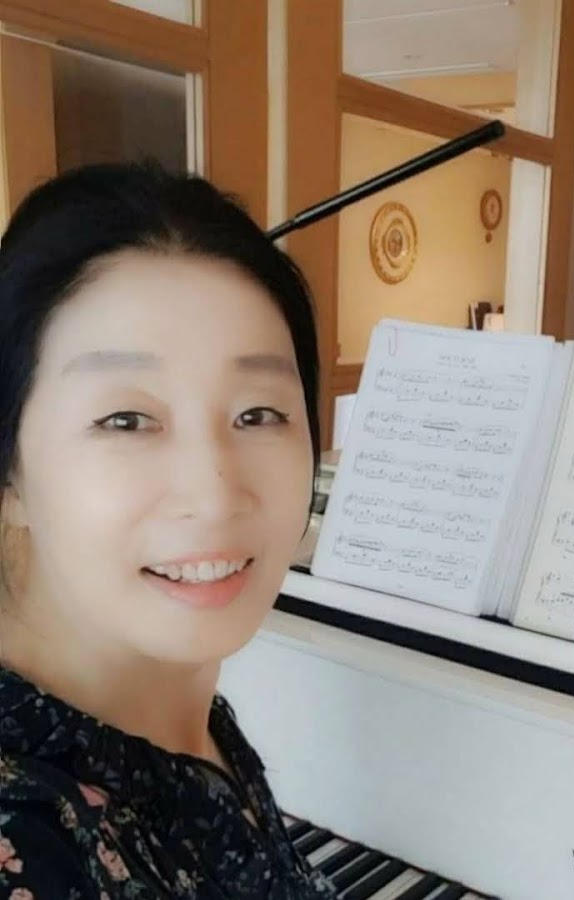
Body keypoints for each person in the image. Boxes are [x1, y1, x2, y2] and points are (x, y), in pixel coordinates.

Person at [0, 162, 336, 898]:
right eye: (126, 420)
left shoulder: (174, 704)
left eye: (258, 413)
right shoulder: (23, 835)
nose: (213, 495)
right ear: (11, 473)